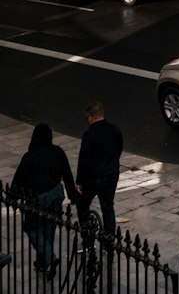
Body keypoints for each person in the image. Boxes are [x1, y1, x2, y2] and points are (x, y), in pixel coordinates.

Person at [12, 124, 76, 277]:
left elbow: (19, 179)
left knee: (32, 228)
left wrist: (12, 198)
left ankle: (49, 259)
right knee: (49, 227)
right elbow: (67, 175)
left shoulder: (30, 156)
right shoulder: (58, 152)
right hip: (56, 194)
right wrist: (73, 195)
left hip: (39, 197)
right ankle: (43, 263)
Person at [76, 102, 123, 235]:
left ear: (91, 117)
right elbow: (118, 150)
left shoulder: (89, 134)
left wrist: (79, 181)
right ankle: (110, 241)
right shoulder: (115, 130)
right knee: (108, 208)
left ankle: (87, 233)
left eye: (86, 118)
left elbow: (84, 160)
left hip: (94, 178)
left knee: (83, 204)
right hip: (111, 174)